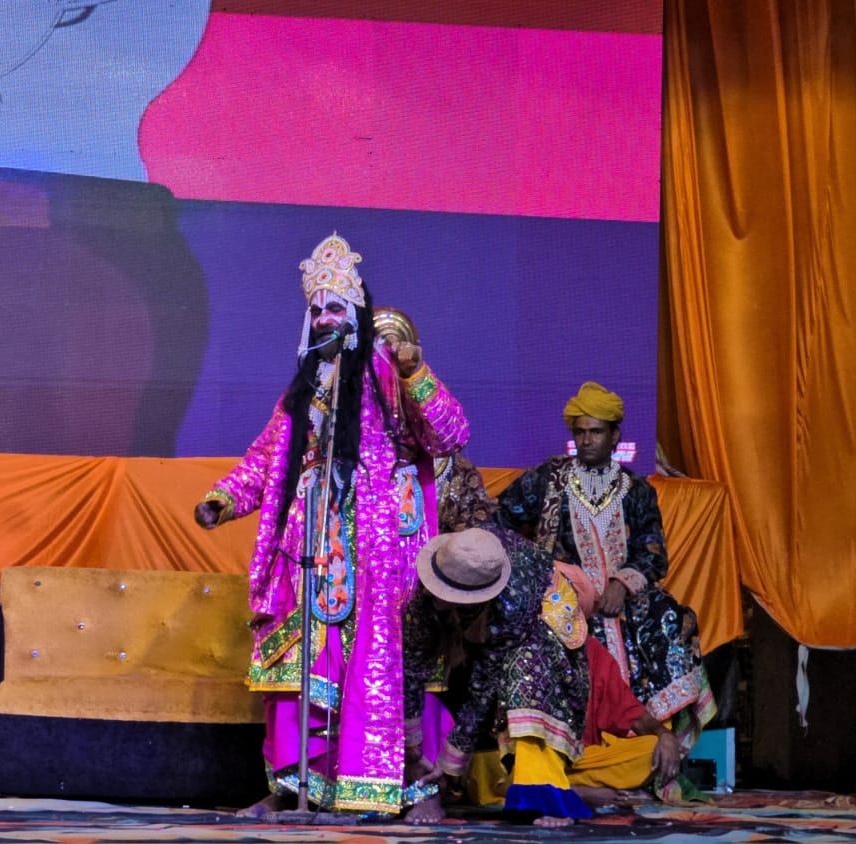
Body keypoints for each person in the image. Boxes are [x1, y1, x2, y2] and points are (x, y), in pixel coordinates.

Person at [193, 234, 469, 815]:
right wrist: (223, 499)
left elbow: (451, 434)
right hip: (314, 546)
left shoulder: (389, 372)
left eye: (335, 307)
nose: (323, 318)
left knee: (391, 664)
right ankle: (296, 786)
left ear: (358, 311)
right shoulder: (306, 386)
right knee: (303, 664)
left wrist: (416, 371)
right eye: (315, 309)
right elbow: (266, 458)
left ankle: (416, 790)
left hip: (383, 546)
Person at [402, 528, 682, 827]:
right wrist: (413, 753)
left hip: (558, 743)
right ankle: (551, 790)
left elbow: (482, 690)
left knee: (530, 683)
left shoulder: (521, 619)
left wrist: (664, 735)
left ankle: (552, 791)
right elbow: (413, 671)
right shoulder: (432, 586)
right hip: (495, 750)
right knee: (481, 760)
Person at [496, 381, 715, 744]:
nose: (586, 440)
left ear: (614, 437)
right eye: (580, 432)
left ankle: (656, 738)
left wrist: (621, 583)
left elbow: (653, 553)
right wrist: (536, 570)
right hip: (566, 601)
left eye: (596, 432)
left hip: (625, 602)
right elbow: (500, 519)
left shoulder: (638, 491)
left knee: (671, 617)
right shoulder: (548, 480)